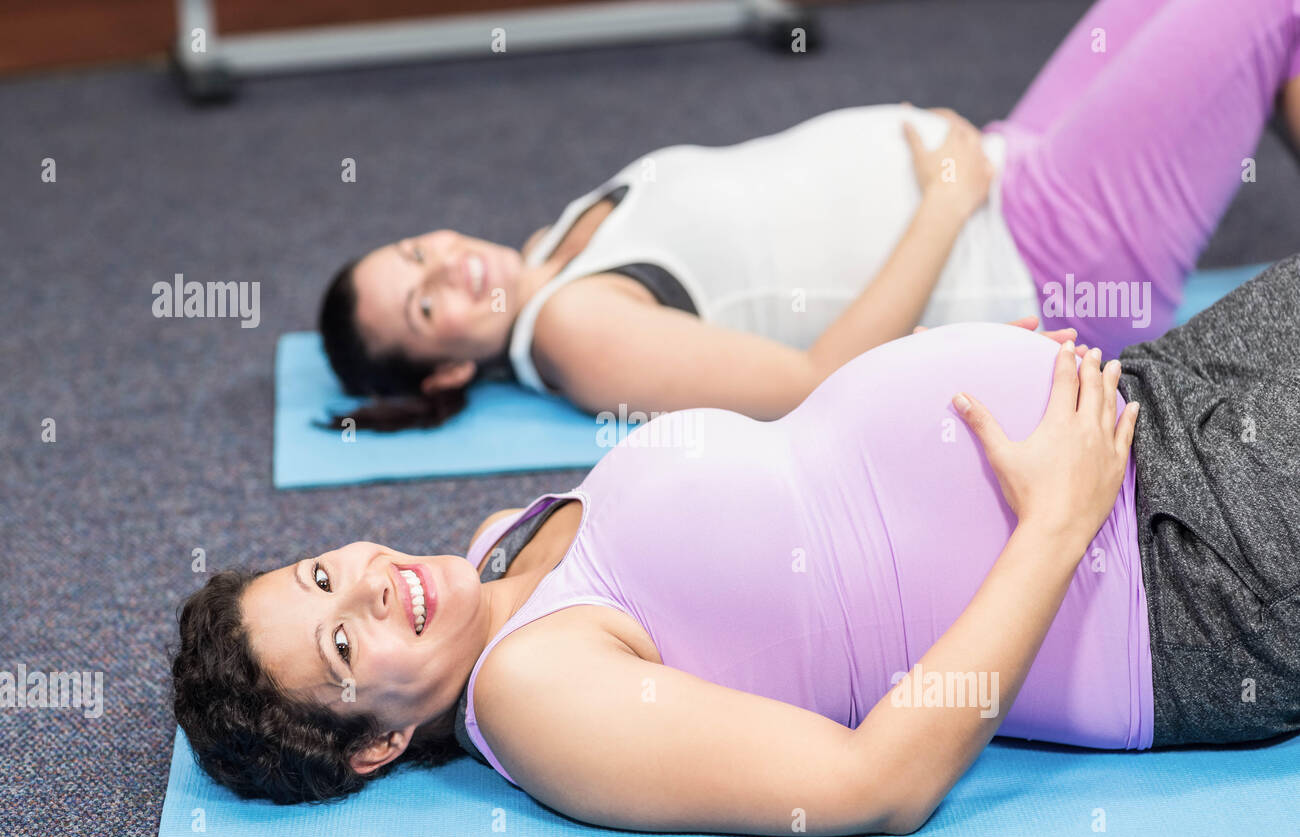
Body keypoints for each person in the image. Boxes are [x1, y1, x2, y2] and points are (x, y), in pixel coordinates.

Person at [172, 256, 1300, 835]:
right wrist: (1055, 519)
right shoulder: (531, 695)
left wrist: (961, 373)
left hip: (1141, 394)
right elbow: (875, 785)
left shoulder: (500, 544)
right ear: (377, 743)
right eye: (341, 643)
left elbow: (805, 485)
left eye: (322, 573)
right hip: (1181, 567)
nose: (368, 587)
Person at [316, 0, 1300, 431]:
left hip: (1009, 163)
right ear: (446, 370)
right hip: (1042, 250)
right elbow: (813, 382)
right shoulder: (573, 327)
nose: (448, 268)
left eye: (416, 252)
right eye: (426, 306)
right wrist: (946, 197)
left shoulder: (551, 248)